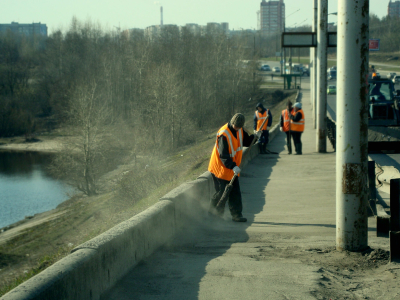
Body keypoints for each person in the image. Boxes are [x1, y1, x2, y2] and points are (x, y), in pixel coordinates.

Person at [208, 113, 261, 222]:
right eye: (236, 126)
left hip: (233, 168)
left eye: (239, 127)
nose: (237, 128)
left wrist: (255, 137)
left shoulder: (240, 130)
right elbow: (223, 155)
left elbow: (247, 141)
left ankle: (237, 215)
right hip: (220, 168)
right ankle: (212, 214)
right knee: (221, 192)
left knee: (235, 191)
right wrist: (233, 166)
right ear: (232, 123)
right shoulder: (224, 134)